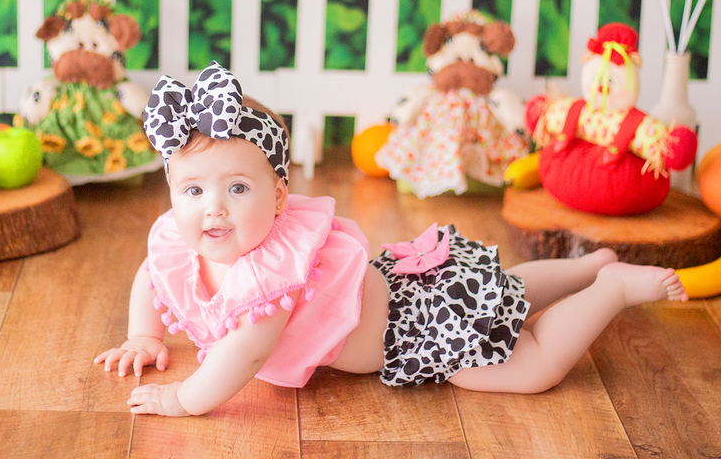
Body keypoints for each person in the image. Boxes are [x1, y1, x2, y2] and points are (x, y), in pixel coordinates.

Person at [96, 62, 687, 417]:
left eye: (237, 188)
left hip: (418, 328)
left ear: (278, 197)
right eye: (193, 190)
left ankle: (609, 287)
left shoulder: (270, 274)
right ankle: (585, 269)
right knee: (504, 290)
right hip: (409, 285)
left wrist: (183, 399)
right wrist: (145, 334)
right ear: (172, 189)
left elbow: (244, 353)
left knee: (529, 363)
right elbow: (152, 277)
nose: (213, 207)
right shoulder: (182, 242)